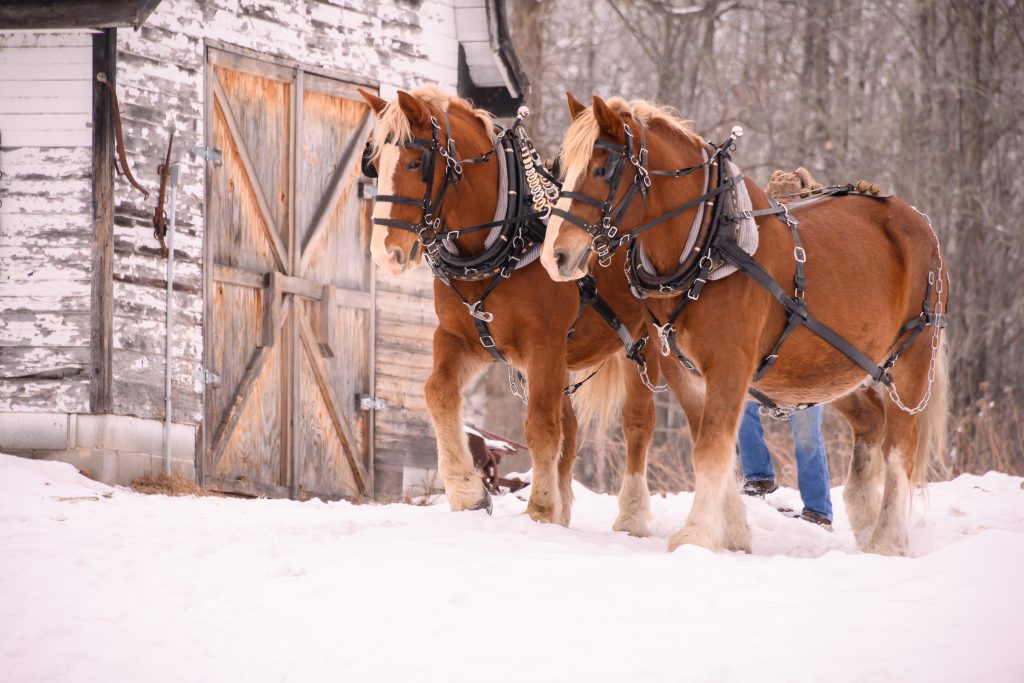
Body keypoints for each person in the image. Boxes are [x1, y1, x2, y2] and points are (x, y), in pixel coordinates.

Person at [737, 401, 833, 529]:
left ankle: (818, 511)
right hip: (766, 382)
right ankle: (758, 478)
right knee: (740, 405)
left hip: (807, 385)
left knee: (806, 436)